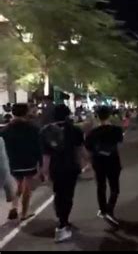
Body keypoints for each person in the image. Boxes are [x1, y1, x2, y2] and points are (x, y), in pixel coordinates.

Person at [40, 104, 88, 243]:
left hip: (55, 168)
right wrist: (88, 162)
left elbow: (46, 155)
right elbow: (80, 150)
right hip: (71, 168)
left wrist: (45, 172)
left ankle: (62, 219)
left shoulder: (45, 131)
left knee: (58, 193)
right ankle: (63, 223)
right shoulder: (74, 130)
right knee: (68, 195)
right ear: (68, 114)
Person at [1, 103, 41, 222]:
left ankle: (14, 206)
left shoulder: (6, 129)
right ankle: (24, 213)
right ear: (26, 112)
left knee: (18, 184)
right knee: (27, 187)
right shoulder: (33, 128)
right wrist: (40, 162)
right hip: (28, 160)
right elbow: (38, 146)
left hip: (12, 160)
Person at [85, 106, 123, 227]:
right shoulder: (116, 130)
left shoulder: (92, 133)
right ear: (109, 115)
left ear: (97, 116)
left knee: (101, 186)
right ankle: (109, 209)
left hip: (98, 162)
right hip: (113, 161)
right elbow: (120, 140)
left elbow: (88, 147)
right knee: (114, 188)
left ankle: (102, 210)